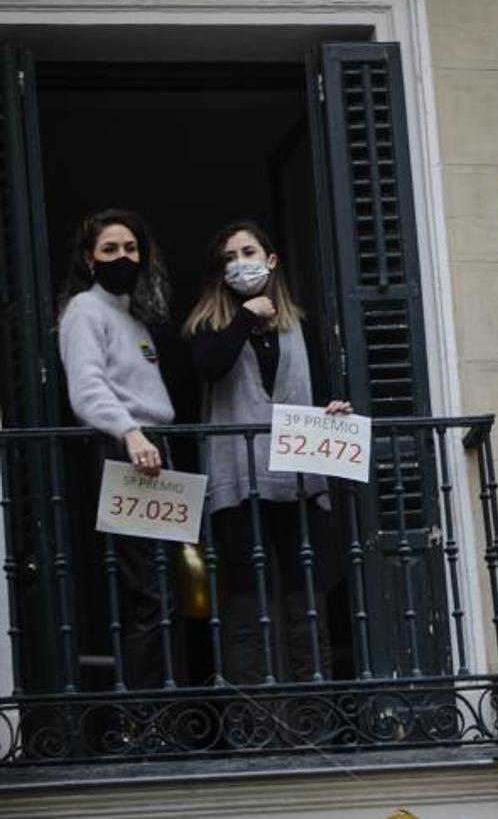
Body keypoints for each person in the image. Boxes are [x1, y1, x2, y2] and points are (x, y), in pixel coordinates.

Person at [184, 221, 349, 685]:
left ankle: (311, 715)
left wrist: (330, 410)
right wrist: (244, 318)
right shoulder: (207, 327)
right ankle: (257, 721)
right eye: (230, 258)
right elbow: (210, 368)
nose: (240, 263)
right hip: (238, 478)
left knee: (304, 597)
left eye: (248, 252)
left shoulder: (302, 327)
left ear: (271, 259)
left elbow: (314, 389)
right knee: (247, 599)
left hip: (297, 475)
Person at [57, 208, 176, 691]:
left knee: (167, 587)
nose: (122, 257)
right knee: (149, 590)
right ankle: (140, 721)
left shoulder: (135, 317)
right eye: (110, 249)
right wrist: (129, 433)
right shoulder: (85, 310)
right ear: (90, 258)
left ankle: (160, 710)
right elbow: (87, 387)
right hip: (125, 452)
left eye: (130, 248)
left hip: (153, 452)